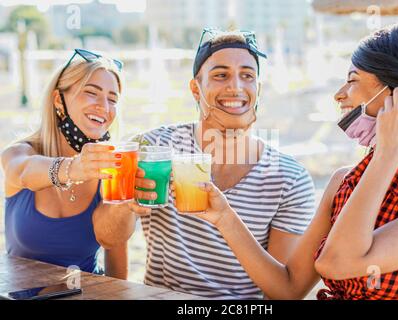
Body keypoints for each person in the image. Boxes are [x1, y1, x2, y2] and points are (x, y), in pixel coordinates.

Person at [190, 24, 398, 300]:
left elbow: (336, 262)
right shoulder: (344, 182)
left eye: (352, 80)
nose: (339, 94)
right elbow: (288, 289)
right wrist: (225, 217)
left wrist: (388, 153)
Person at [98, 29, 316, 299]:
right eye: (220, 75)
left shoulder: (290, 179)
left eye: (247, 75)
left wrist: (226, 219)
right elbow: (107, 238)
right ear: (195, 88)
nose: (235, 86)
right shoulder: (152, 148)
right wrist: (125, 207)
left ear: (257, 90)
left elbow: (284, 292)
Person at [1, 49, 152, 278]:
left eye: (113, 99)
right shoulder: (20, 152)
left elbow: (115, 258)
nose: (104, 107)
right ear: (58, 100)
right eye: (92, 93)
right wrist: (75, 168)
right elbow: (22, 172)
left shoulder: (111, 167)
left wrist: (125, 205)